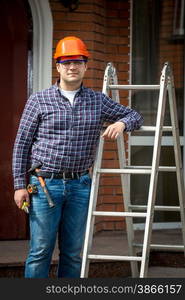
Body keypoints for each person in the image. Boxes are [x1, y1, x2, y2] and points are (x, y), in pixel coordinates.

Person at [12, 36, 143, 278]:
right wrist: (19, 185)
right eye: (67, 62)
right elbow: (21, 145)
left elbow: (136, 115)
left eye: (78, 62)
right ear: (58, 66)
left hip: (80, 185)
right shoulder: (39, 100)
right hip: (43, 185)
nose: (72, 67)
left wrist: (123, 123)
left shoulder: (97, 101)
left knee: (73, 252)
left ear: (85, 66)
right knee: (40, 250)